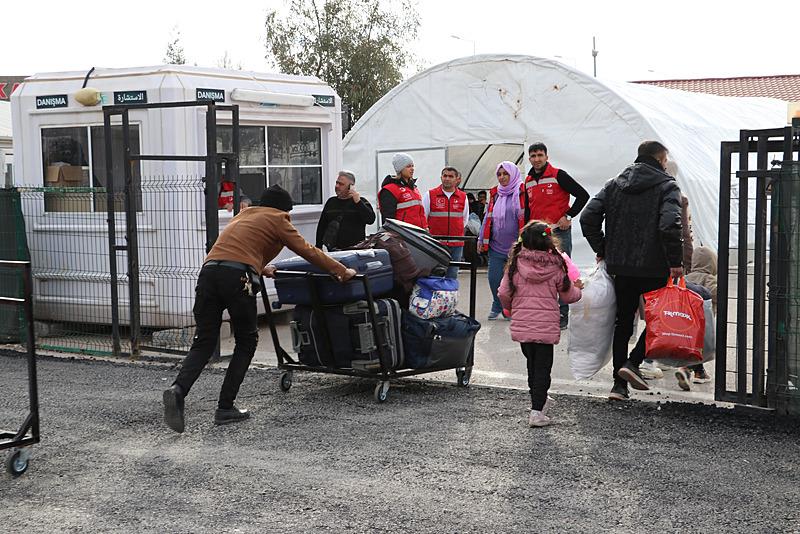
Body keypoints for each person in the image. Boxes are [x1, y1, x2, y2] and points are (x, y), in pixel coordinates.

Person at [162, 185, 356, 433]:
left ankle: (178, 390)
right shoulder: (277, 218)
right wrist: (341, 270)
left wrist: (261, 267)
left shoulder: (243, 215)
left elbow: (239, 248)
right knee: (247, 340)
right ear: (282, 209)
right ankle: (225, 407)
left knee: (204, 340)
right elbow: (307, 250)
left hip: (209, 273)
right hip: (237, 279)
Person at [580, 140, 683, 401]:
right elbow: (670, 224)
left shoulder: (614, 184)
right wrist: (675, 261)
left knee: (623, 323)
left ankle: (619, 385)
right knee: (659, 320)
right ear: (661, 160)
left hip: (621, 267)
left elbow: (587, 217)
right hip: (654, 266)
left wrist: (603, 248)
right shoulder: (667, 186)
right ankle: (633, 362)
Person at [498, 220, 583, 427]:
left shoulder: (516, 264)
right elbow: (569, 296)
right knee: (543, 369)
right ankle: (537, 412)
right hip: (546, 327)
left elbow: (503, 292)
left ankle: (539, 400)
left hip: (523, 325)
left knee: (532, 366)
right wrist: (578, 288)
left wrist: (510, 308)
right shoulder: (555, 265)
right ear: (549, 241)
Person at [525, 142, 590, 329]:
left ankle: (563, 313)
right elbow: (529, 210)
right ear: (529, 158)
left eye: (540, 155)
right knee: (540, 273)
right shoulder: (528, 181)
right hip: (537, 236)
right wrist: (525, 234)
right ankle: (544, 311)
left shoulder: (558, 175)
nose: (537, 159)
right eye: (533, 156)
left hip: (559, 232)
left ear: (546, 156)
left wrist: (568, 216)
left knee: (562, 271)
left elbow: (583, 195)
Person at [478, 161, 526, 320]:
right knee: (494, 279)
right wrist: (481, 239)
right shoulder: (495, 193)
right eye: (499, 174)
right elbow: (487, 217)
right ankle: (497, 304)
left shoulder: (522, 191)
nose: (502, 177)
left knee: (516, 280)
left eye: (506, 173)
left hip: (517, 247)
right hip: (496, 246)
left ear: (513, 174)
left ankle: (511, 308)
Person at [674, 246, 718, 389]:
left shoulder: (686, 278)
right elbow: (716, 293)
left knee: (691, 349)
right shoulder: (710, 279)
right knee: (699, 349)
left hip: (684, 322)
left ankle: (698, 373)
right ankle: (687, 370)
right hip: (704, 324)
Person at [423, 167, 469, 278]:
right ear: (441, 177)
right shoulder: (430, 195)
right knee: (435, 277)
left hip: (456, 245)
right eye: (445, 176)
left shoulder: (463, 197)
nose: (447, 179)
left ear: (457, 179)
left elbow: (465, 220)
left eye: (450, 176)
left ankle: (450, 296)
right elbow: (423, 218)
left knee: (452, 276)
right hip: (436, 244)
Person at [315, 170, 376, 251]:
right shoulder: (331, 202)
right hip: (334, 249)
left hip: (355, 250)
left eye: (341, 184)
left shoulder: (361, 202)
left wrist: (358, 202)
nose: (337, 186)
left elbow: (370, 219)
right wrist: (318, 246)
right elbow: (322, 226)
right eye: (337, 183)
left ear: (350, 186)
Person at [378, 152, 427, 229]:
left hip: (418, 234)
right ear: (400, 169)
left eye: (412, 166)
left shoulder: (413, 188)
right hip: (403, 236)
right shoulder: (389, 190)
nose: (412, 169)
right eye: (408, 166)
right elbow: (388, 220)